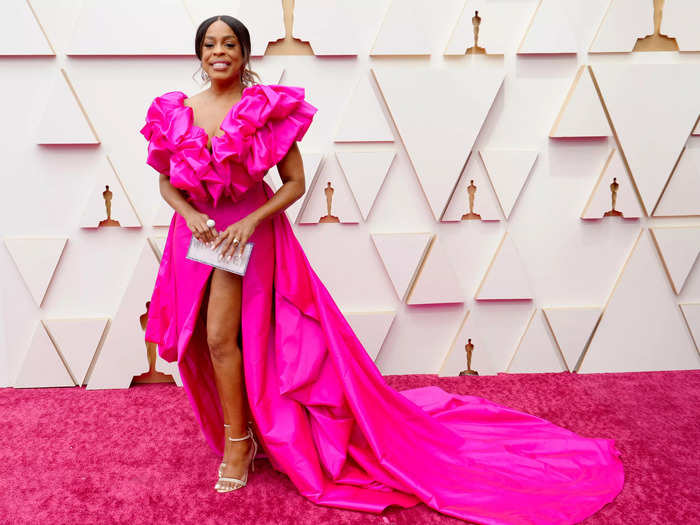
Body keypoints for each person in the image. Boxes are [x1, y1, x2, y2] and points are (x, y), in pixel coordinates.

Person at [140, 14, 624, 524]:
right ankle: (245, 433)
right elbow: (166, 181)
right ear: (199, 54)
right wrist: (190, 213)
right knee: (206, 341)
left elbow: (294, 183)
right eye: (211, 44)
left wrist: (253, 220)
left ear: (245, 53)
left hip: (248, 238)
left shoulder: (262, 110)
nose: (220, 51)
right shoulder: (178, 111)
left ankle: (239, 445)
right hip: (196, 238)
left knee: (236, 339)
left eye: (230, 43)